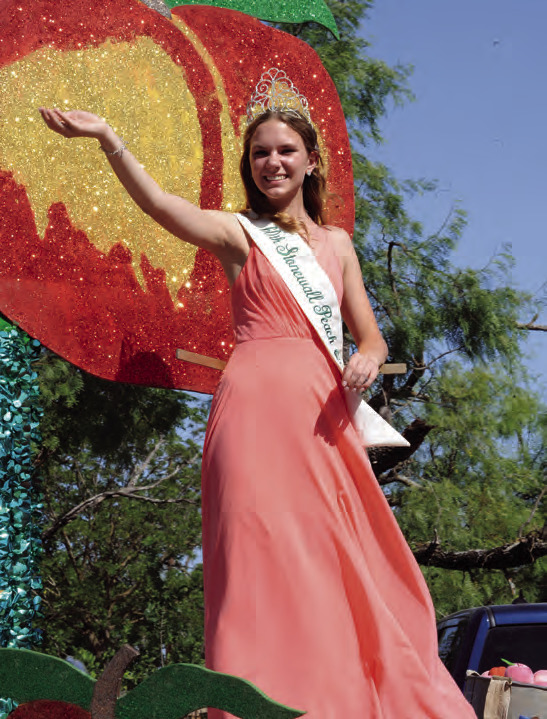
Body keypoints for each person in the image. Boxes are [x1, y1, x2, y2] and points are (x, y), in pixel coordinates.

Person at [39, 75, 475, 718]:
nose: (272, 162)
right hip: (251, 411)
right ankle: (257, 703)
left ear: (310, 162)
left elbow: (374, 339)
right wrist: (108, 138)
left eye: (285, 151)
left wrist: (366, 358)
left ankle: (338, 699)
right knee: (256, 551)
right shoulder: (239, 235)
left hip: (321, 416)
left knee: (331, 550)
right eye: (261, 153)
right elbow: (161, 205)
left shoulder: (339, 246)